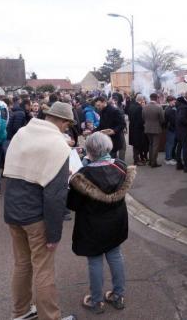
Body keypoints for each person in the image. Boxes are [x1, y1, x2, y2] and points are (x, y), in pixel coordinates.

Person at [3, 102, 77, 320]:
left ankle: (21, 312)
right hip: (36, 214)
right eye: (67, 125)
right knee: (44, 270)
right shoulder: (58, 145)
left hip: (13, 209)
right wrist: (54, 234)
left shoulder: (23, 133)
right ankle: (50, 317)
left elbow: (20, 169)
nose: (66, 129)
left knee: (22, 264)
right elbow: (55, 197)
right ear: (63, 121)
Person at [68, 132, 136, 314]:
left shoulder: (83, 174)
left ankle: (96, 301)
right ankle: (118, 295)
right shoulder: (121, 166)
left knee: (95, 260)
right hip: (116, 220)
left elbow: (72, 204)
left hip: (92, 225)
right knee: (115, 255)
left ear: (89, 150)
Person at [142, 93, 165, 168]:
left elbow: (143, 117)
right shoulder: (159, 107)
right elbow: (162, 119)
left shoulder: (145, 107)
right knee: (155, 146)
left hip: (147, 128)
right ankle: (153, 162)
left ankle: (151, 160)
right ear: (157, 98)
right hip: (156, 128)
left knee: (150, 144)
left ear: (150, 98)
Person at [128, 94, 148, 165]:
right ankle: (136, 160)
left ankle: (137, 159)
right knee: (137, 144)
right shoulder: (139, 107)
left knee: (135, 144)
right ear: (141, 100)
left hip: (132, 127)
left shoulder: (131, 106)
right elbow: (140, 120)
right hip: (138, 129)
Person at [163, 96, 177, 165]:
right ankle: (168, 158)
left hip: (170, 128)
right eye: (174, 101)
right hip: (171, 129)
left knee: (170, 144)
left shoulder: (169, 108)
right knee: (170, 144)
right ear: (170, 101)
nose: (175, 102)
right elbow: (173, 120)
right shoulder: (170, 110)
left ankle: (169, 157)